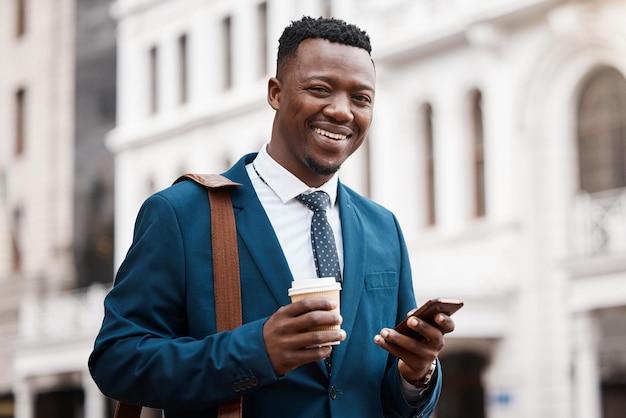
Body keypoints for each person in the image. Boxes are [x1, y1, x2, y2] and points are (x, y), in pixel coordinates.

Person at [89, 16, 456, 418]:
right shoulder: (181, 213)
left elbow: (381, 396)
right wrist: (257, 351)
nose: (341, 112)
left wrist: (416, 374)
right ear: (276, 93)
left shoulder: (383, 227)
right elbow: (117, 360)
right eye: (320, 89)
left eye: (361, 98)